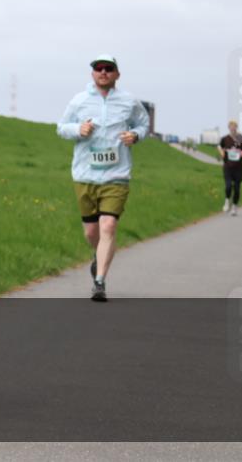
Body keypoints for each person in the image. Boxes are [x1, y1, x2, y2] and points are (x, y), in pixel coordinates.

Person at [57, 55, 150, 302]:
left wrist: (136, 135)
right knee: (91, 233)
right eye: (98, 69)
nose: (103, 72)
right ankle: (99, 256)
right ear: (92, 74)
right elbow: (61, 127)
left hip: (116, 175)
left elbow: (144, 123)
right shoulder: (79, 101)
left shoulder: (129, 102)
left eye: (109, 69)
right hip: (85, 175)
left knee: (108, 225)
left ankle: (99, 282)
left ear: (117, 74)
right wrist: (78, 129)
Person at [218, 120, 242, 216]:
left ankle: (234, 207)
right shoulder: (224, 138)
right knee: (228, 186)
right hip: (228, 166)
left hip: (238, 167)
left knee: (237, 188)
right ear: (229, 127)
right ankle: (227, 201)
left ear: (237, 127)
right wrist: (222, 153)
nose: (233, 128)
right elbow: (219, 147)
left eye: (234, 126)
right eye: (231, 126)